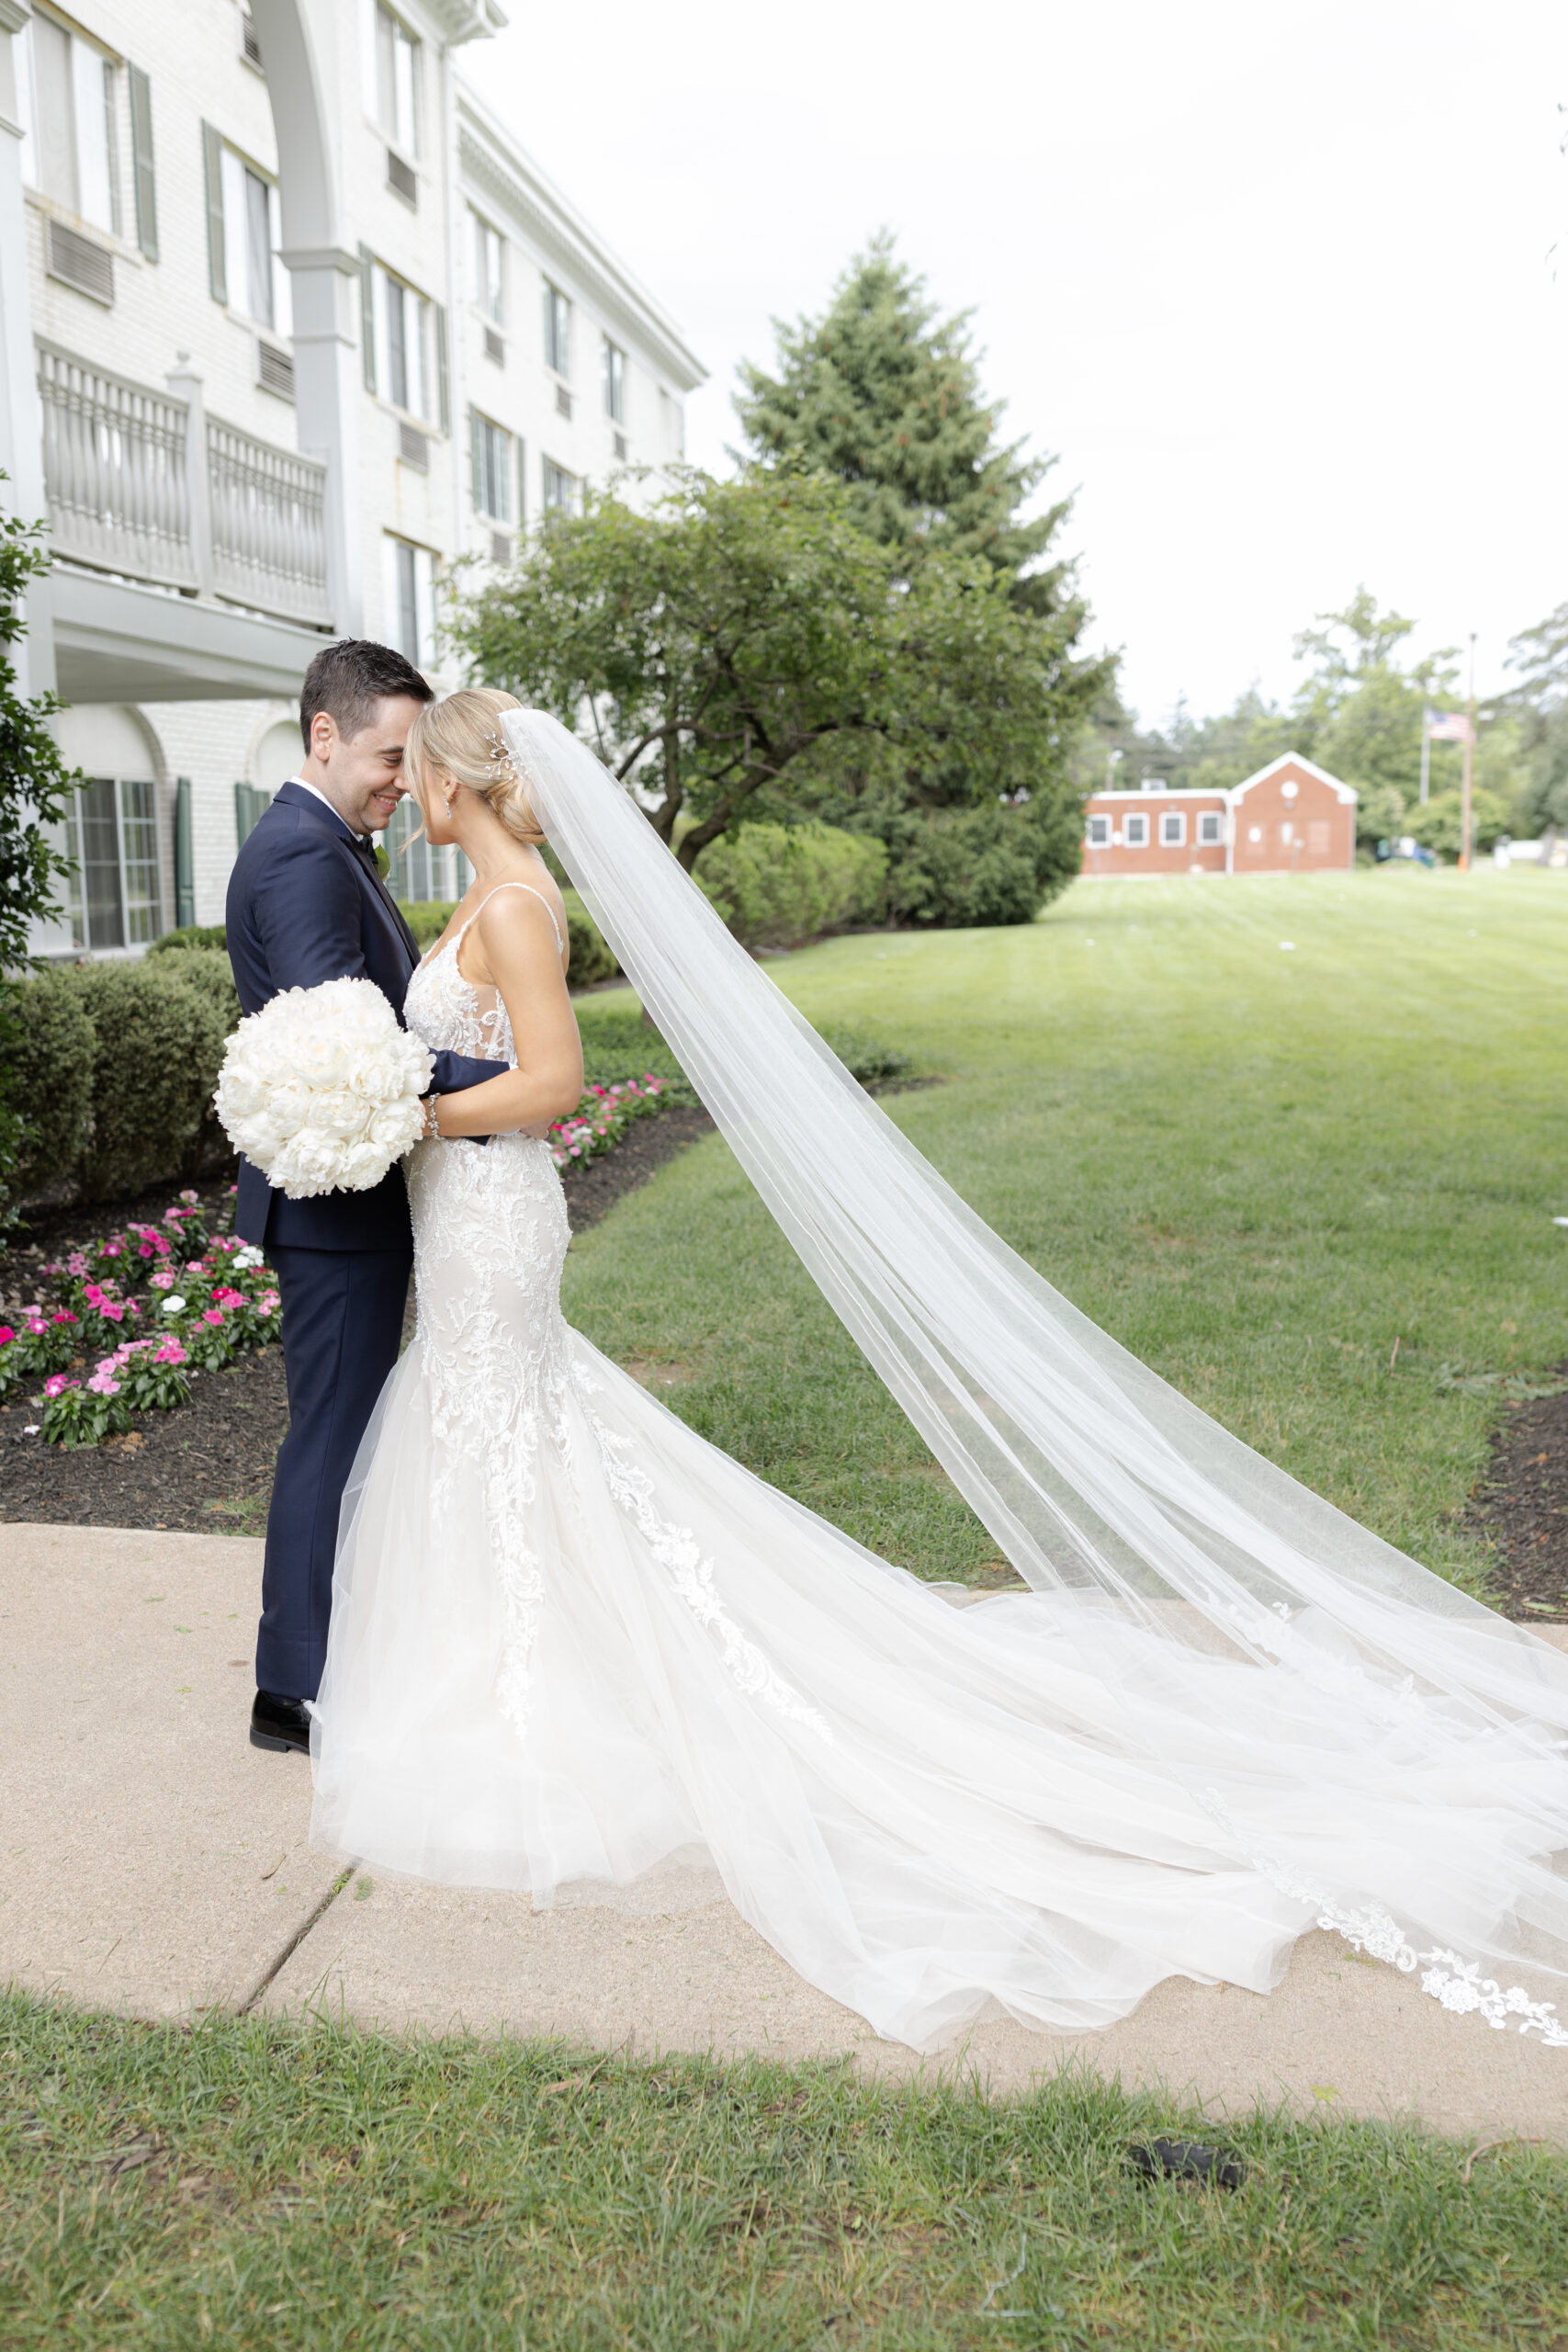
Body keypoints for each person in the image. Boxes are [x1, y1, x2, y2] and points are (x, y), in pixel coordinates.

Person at [307, 689, 1568, 2054]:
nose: (408, 789)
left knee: (504, 1426)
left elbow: (551, 1082)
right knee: (507, 1436)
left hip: (492, 1215)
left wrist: (413, 1109)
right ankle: (519, 1674)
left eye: (416, 770)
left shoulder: (512, 909)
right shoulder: (490, 899)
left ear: (456, 780)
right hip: (466, 1215)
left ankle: (532, 1703)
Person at [225, 642, 502, 1757]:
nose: (405, 776)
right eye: (392, 755)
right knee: (330, 1437)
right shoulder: (300, 857)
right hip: (336, 1214)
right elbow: (353, 1050)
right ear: (324, 736)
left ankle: (325, 1659)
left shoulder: (330, 845)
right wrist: (514, 1089)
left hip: (352, 1202)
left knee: (343, 1431)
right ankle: (291, 1691)